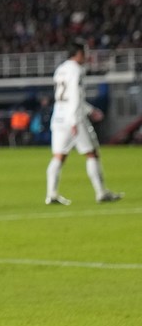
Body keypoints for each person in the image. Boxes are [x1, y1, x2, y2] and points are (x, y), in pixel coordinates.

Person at [45, 43, 123, 205]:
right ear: (79, 53)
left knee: (59, 156)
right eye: (85, 52)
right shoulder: (76, 70)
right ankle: (101, 193)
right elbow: (74, 94)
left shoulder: (60, 69)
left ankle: (51, 194)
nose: (87, 56)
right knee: (92, 154)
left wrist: (90, 110)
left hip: (58, 117)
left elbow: (66, 96)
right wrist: (75, 120)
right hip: (74, 119)